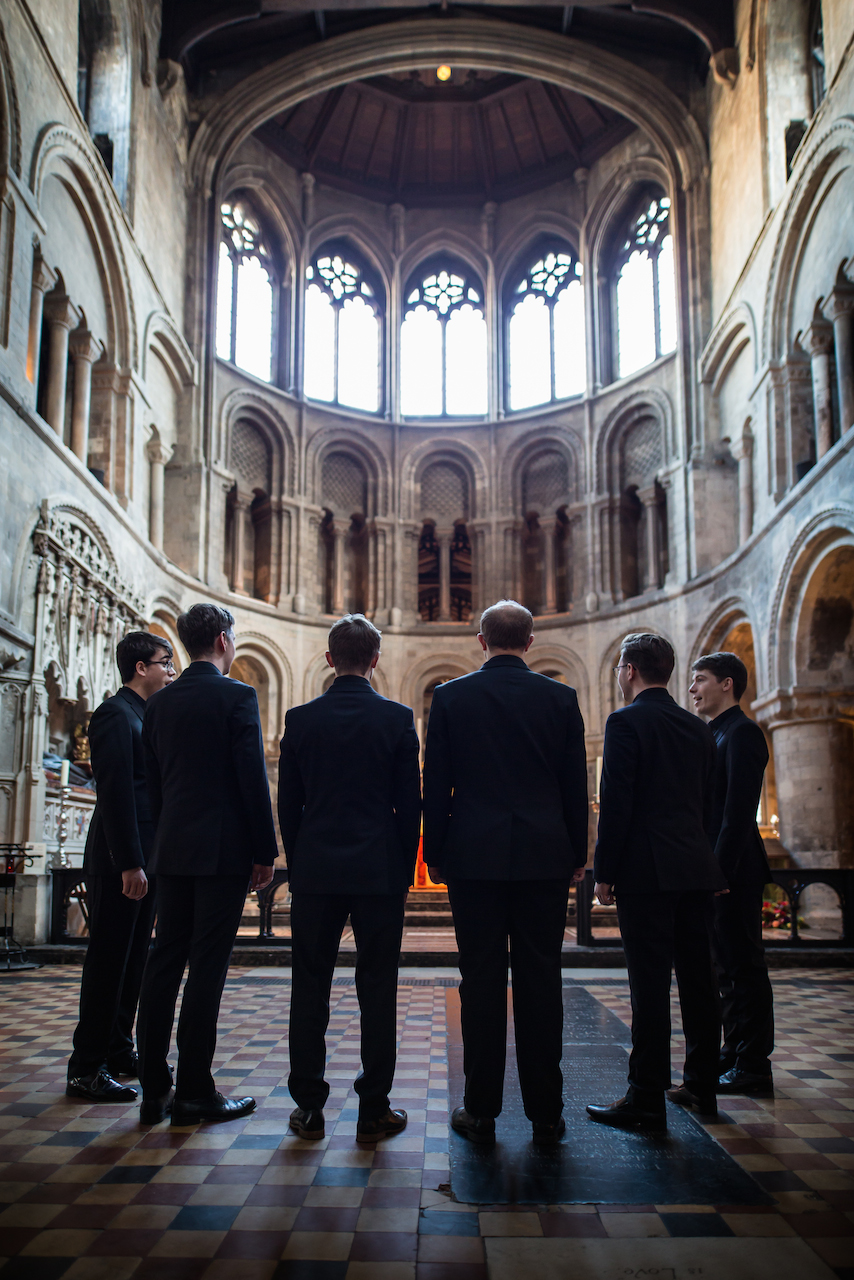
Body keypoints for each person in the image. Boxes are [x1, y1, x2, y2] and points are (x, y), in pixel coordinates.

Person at [423, 600, 588, 1146]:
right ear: (531, 641)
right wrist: (577, 854)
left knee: (482, 982)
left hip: (474, 858)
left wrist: (437, 854)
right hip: (544, 858)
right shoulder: (561, 698)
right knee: (544, 981)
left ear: (481, 640)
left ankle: (481, 1109)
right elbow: (573, 786)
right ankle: (547, 1112)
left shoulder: (450, 697)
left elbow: (437, 784)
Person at [278, 614, 421, 1143]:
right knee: (378, 986)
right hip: (379, 869)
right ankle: (374, 1106)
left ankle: (309, 1106)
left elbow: (288, 804)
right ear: (376, 660)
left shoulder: (301, 718)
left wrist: (300, 858)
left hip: (316, 868)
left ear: (329, 658)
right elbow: (410, 805)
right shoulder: (397, 718)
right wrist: (403, 868)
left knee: (309, 985)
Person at [137, 603, 277, 1126]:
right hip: (220, 854)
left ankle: (154, 1088)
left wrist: (161, 843)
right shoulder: (237, 695)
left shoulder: (158, 704)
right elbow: (250, 779)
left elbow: (153, 788)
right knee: (206, 970)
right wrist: (264, 851)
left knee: (163, 963)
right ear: (223, 640)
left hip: (171, 850)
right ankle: (195, 1089)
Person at [587, 632, 726, 1130]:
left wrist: (605, 872)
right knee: (699, 982)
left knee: (648, 986)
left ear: (628, 671)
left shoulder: (625, 723)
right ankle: (702, 1087)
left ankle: (646, 1096)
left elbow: (617, 805)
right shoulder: (699, 729)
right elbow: (709, 806)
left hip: (647, 873)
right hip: (694, 868)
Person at [66, 633, 175, 1103]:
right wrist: (130, 862)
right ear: (139, 667)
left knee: (135, 960)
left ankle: (118, 1049)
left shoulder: (146, 715)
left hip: (145, 858)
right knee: (109, 960)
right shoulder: (114, 714)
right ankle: (85, 1068)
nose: (170, 671)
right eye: (164, 663)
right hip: (120, 858)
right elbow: (114, 794)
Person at [688, 651, 774, 1098]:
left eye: (700, 680)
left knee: (744, 965)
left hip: (733, 868)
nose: (692, 689)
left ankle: (754, 1065)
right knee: (723, 967)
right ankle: (732, 1050)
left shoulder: (741, 733)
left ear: (727, 684)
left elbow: (738, 813)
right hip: (716, 868)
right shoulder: (712, 733)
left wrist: (717, 871)